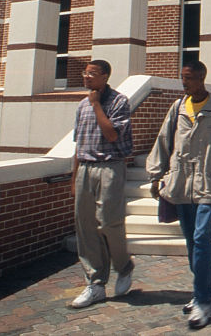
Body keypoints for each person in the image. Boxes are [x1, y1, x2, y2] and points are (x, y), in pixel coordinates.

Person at [146, 60, 211, 329]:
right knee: (192, 240)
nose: (184, 82)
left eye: (188, 78)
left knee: (202, 237)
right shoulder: (177, 108)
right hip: (180, 184)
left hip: (208, 184)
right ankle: (204, 292)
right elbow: (163, 142)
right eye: (182, 77)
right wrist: (156, 176)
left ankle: (203, 301)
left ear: (202, 78)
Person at [70, 59, 135, 308]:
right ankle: (95, 283)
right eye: (85, 73)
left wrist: (97, 105)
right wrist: (74, 178)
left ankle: (124, 266)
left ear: (105, 76)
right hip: (85, 168)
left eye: (92, 74)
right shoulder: (81, 106)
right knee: (85, 226)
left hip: (110, 166)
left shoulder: (119, 102)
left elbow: (112, 134)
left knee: (109, 221)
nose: (86, 78)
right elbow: (78, 145)